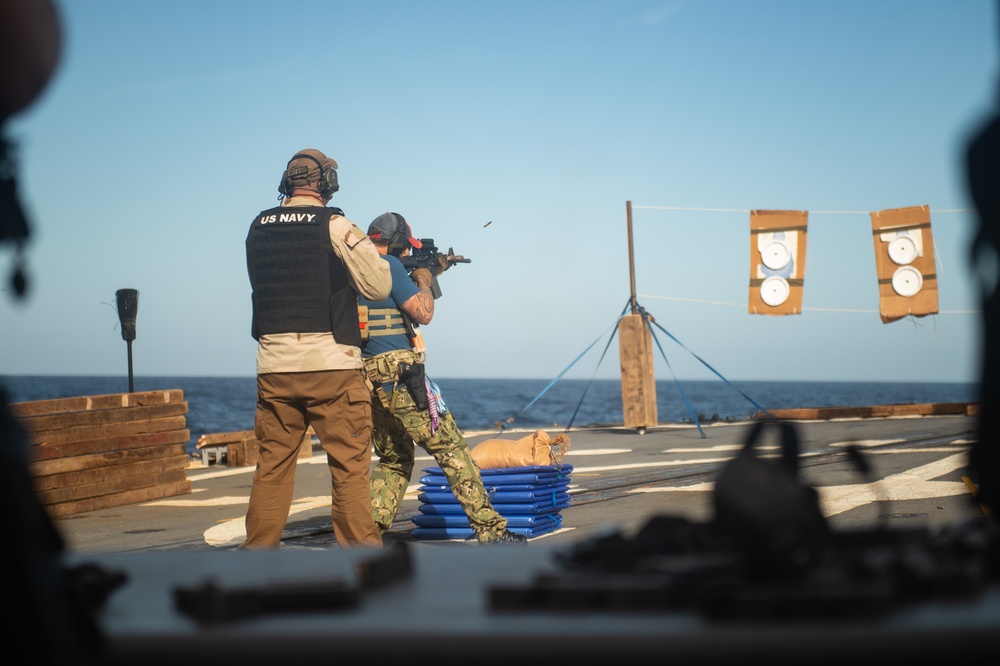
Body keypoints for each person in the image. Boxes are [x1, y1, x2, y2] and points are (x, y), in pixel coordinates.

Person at [242, 149, 392, 549]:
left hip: (273, 368)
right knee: (349, 469)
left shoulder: (257, 227)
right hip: (331, 368)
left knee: (271, 469)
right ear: (327, 183)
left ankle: (253, 560)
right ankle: (363, 562)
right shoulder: (335, 224)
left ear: (287, 183)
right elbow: (379, 286)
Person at [359, 212, 526, 545]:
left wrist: (430, 267)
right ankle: (491, 532)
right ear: (394, 244)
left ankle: (368, 532)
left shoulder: (354, 269)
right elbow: (424, 312)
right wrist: (423, 276)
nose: (406, 255)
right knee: (452, 449)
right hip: (400, 374)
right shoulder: (390, 267)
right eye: (405, 249)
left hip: (367, 377)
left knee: (395, 457)